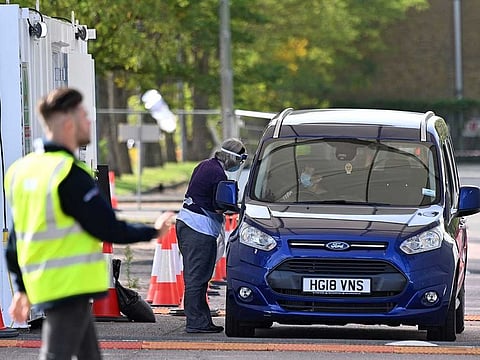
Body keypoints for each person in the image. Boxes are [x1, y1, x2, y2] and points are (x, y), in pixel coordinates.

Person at [4, 87, 174, 360]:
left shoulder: (21, 171)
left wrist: (22, 290)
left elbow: (15, 241)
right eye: (84, 115)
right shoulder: (69, 173)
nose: (89, 121)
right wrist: (154, 231)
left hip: (47, 283)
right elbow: (106, 227)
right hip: (69, 286)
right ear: (69, 123)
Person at [176, 138, 247, 333]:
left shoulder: (205, 165)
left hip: (187, 222)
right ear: (232, 156)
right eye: (240, 159)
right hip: (199, 228)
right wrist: (237, 208)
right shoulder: (217, 173)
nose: (239, 164)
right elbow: (220, 204)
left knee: (196, 276)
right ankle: (196, 323)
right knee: (197, 278)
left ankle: (201, 320)